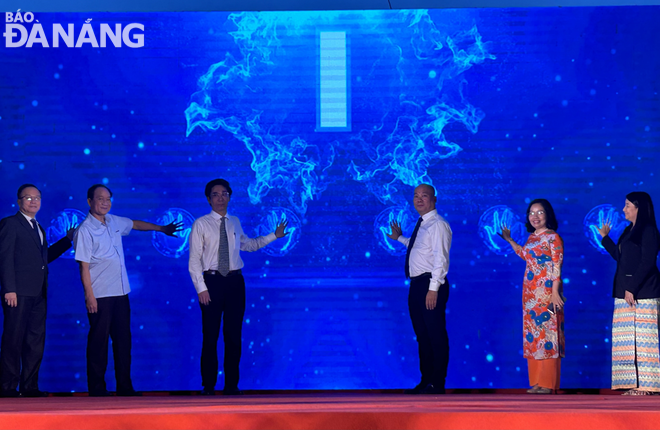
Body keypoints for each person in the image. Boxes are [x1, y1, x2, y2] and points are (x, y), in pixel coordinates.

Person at [73, 184, 182, 397]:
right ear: (89, 201)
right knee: (99, 342)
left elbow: (135, 225)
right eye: (100, 199)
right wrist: (89, 296)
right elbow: (83, 266)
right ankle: (97, 388)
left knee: (123, 341)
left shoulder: (113, 220)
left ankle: (125, 386)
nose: (105, 202)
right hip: (100, 295)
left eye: (108, 198)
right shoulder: (84, 230)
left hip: (121, 293)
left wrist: (161, 229)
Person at [188, 178, 288, 395]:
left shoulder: (234, 221)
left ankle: (232, 385)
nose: (220, 198)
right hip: (211, 282)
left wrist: (274, 236)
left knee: (233, 335)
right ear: (208, 199)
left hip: (235, 282)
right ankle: (208, 385)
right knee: (210, 335)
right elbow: (194, 260)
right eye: (215, 194)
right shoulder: (200, 224)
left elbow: (248, 245)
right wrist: (201, 288)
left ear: (230, 196)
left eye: (224, 193)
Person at [0, 184, 74, 398]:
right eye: (28, 197)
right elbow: (4, 259)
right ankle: (6, 387)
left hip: (38, 293)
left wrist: (67, 240)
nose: (33, 201)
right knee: (13, 339)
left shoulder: (39, 228)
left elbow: (44, 259)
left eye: (37, 198)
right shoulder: (10, 224)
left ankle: (29, 386)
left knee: (35, 341)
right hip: (18, 293)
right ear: (19, 201)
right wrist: (9, 289)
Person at [387, 184, 451, 395]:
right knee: (422, 335)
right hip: (416, 285)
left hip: (430, 284)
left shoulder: (438, 225)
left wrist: (433, 289)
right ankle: (426, 381)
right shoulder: (422, 224)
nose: (419, 199)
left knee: (435, 334)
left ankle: (437, 383)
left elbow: (440, 259)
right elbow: (420, 250)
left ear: (434, 199)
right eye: (416, 196)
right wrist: (399, 239)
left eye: (424, 196)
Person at [597, 191, 660, 395]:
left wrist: (632, 287)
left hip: (644, 292)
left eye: (627, 205)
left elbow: (647, 261)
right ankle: (632, 383)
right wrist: (605, 239)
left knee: (645, 339)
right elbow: (621, 257)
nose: (624, 209)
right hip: (624, 293)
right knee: (626, 341)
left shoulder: (648, 231)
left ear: (638, 207)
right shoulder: (627, 230)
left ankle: (648, 386)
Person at [501, 199, 564, 394]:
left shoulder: (553, 237)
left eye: (540, 212)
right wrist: (510, 240)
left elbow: (557, 266)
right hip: (529, 295)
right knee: (533, 337)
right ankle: (537, 382)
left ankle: (548, 383)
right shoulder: (531, 238)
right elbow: (526, 256)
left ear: (548, 215)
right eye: (531, 213)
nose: (535, 216)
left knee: (548, 336)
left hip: (546, 294)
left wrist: (555, 293)